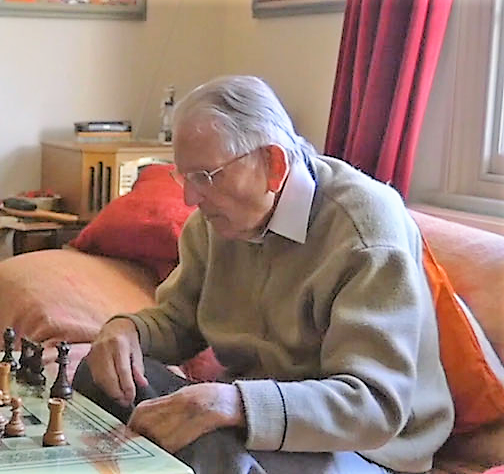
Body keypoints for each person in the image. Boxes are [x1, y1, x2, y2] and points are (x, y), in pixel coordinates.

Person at [73, 76, 454, 474]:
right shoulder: (216, 222)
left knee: (206, 446)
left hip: (365, 447)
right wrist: (127, 331)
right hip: (252, 412)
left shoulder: (365, 231)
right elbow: (181, 319)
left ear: (272, 164)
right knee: (100, 373)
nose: (190, 198)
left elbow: (373, 406)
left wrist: (234, 405)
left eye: (206, 176)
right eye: (184, 177)